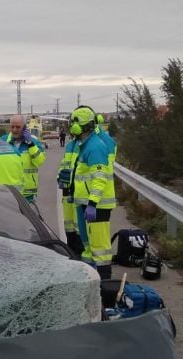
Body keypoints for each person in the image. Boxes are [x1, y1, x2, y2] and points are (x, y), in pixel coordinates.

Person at [65, 105, 115, 279]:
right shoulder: (85, 145)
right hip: (85, 203)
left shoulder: (95, 147)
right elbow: (82, 176)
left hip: (97, 204)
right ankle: (90, 276)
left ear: (82, 125)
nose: (71, 127)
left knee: (100, 247)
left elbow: (99, 178)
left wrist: (93, 203)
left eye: (74, 123)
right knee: (88, 245)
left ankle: (104, 281)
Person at [2, 114, 46, 202]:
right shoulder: (3, 141)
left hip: (27, 193)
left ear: (24, 127)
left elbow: (40, 161)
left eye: (18, 127)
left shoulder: (34, 141)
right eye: (12, 127)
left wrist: (30, 145)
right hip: (9, 192)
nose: (14, 130)